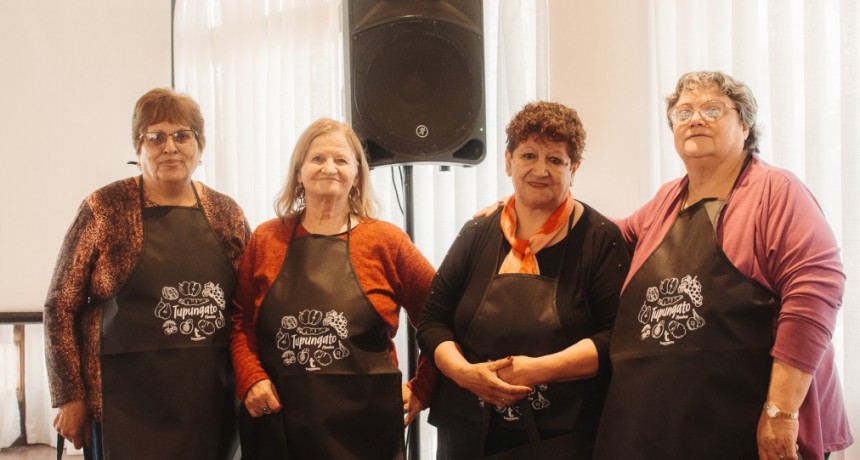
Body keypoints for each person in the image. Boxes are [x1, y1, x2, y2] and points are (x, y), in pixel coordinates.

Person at [592, 71, 853, 460]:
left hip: (745, 426)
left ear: (745, 126)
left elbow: (815, 291)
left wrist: (780, 413)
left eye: (712, 109)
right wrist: (538, 207)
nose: (696, 119)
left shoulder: (777, 191)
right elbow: (606, 235)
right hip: (663, 430)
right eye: (683, 113)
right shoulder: (666, 200)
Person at [417, 101, 631, 459]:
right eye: (528, 155)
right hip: (466, 431)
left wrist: (536, 370)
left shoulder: (599, 239)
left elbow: (617, 338)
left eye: (555, 160)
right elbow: (431, 322)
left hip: (560, 438)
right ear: (508, 161)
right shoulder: (477, 233)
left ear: (574, 168)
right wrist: (464, 373)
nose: (540, 170)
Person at [45, 88, 250, 459]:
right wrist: (70, 398)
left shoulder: (227, 213)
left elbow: (248, 308)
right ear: (138, 148)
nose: (170, 147)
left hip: (208, 405)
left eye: (182, 135)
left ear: (200, 146)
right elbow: (60, 305)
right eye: (155, 137)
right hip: (122, 407)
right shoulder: (103, 209)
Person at [229, 117, 437, 459]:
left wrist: (423, 386)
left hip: (365, 434)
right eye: (317, 158)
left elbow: (439, 315)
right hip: (278, 426)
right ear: (299, 172)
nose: (329, 168)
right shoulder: (266, 239)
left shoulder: (387, 241)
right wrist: (250, 378)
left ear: (357, 174)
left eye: (341, 160)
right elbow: (240, 322)